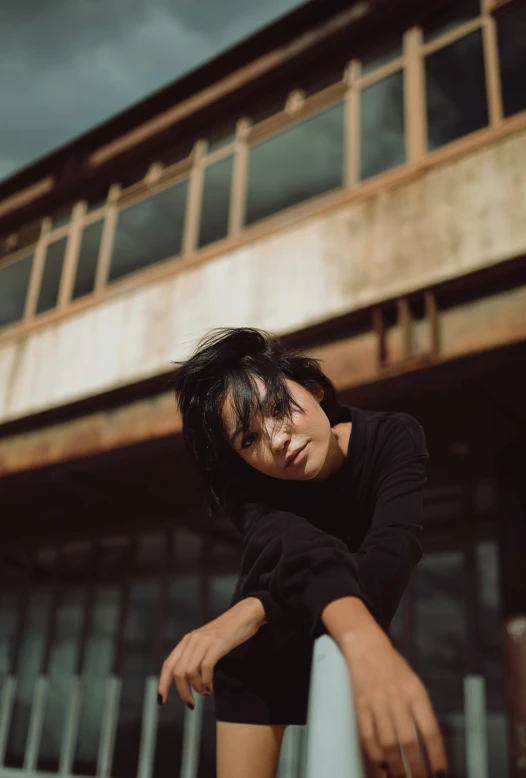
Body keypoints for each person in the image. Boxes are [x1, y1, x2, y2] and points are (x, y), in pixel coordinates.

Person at [157, 327, 449, 778]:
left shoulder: (392, 437)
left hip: (353, 640)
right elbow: (302, 553)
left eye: (278, 408)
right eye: (248, 440)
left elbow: (391, 556)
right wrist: (355, 635)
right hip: (265, 657)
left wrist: (252, 610)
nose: (275, 440)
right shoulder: (250, 489)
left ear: (313, 390)